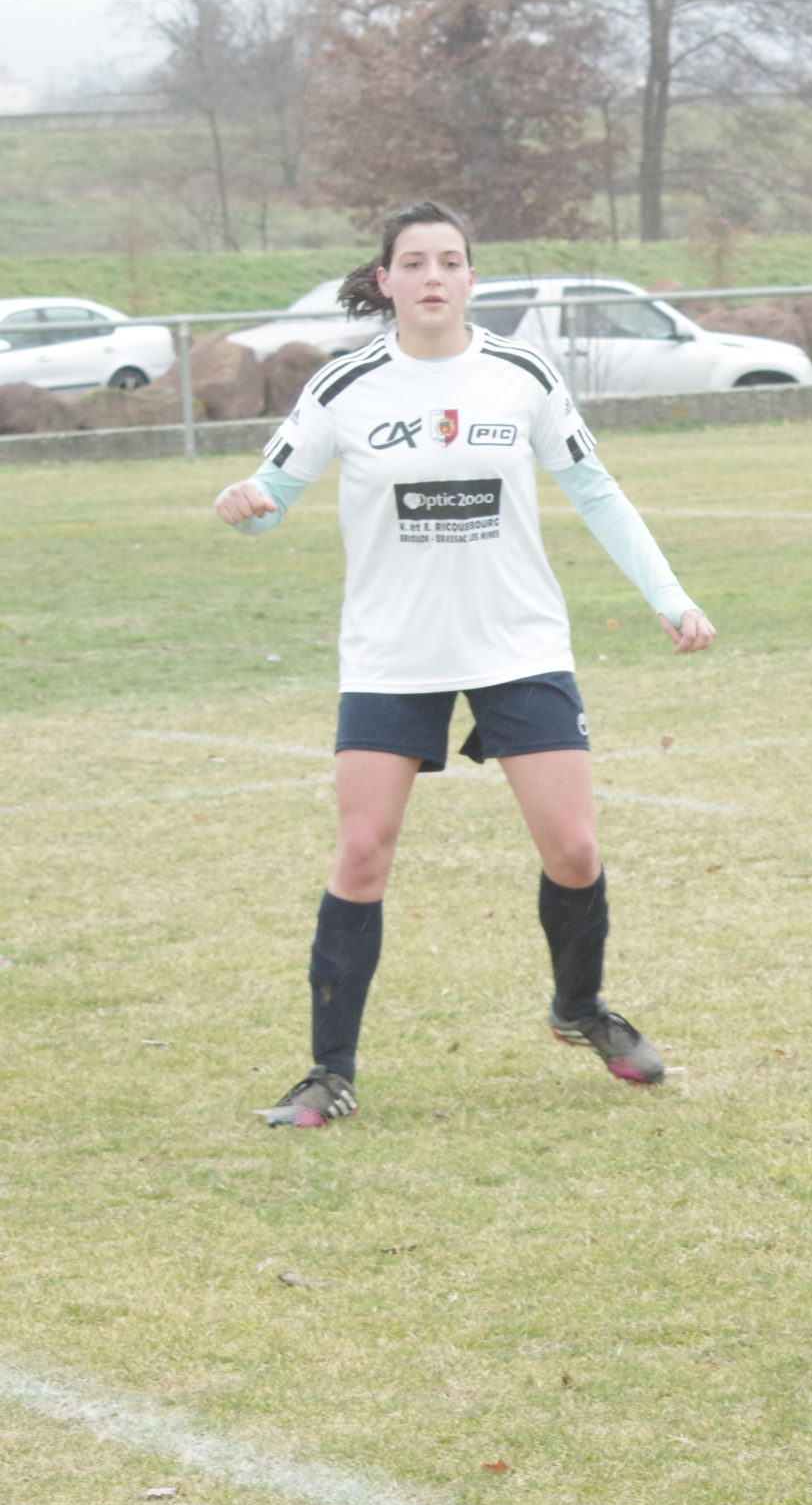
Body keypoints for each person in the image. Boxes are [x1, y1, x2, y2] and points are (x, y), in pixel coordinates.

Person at [211, 199, 716, 1128]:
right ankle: (328, 1072)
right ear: (386, 281)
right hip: (392, 653)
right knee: (362, 851)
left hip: (517, 643)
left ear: (471, 278)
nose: (433, 276)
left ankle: (578, 1007)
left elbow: (595, 490)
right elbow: (270, 497)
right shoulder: (345, 386)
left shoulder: (520, 375)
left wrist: (669, 595)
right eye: (414, 262)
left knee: (574, 849)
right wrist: (246, 504)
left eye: (450, 261)